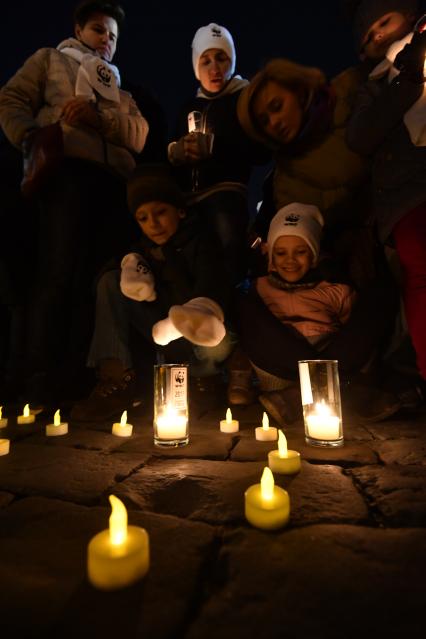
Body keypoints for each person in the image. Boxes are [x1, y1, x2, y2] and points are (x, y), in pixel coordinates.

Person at [0, 0, 149, 405]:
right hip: (67, 177)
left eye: (114, 38)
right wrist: (33, 138)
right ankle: (40, 376)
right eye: (100, 31)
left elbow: (139, 134)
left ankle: (78, 376)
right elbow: (11, 98)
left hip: (113, 187)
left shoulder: (119, 89)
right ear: (79, 29)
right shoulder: (50, 60)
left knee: (96, 279)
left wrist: (100, 119)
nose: (106, 42)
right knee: (58, 273)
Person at [71, 164, 235, 421]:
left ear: (180, 211)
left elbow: (213, 286)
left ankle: (206, 381)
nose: (154, 224)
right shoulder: (143, 251)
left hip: (203, 338)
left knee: (216, 337)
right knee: (110, 281)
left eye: (160, 212)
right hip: (163, 336)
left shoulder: (202, 242)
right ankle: (115, 379)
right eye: (143, 218)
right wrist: (128, 265)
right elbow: (117, 281)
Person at [238, 202, 401, 425]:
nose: (290, 260)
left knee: (375, 303)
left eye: (301, 252)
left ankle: (297, 395)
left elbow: (355, 335)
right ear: (271, 259)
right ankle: (346, 390)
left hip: (329, 350)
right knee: (247, 308)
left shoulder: (334, 290)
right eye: (281, 252)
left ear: (314, 256)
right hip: (282, 357)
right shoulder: (260, 288)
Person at [346, 0, 426, 396]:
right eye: (368, 34)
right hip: (408, 198)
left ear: (410, 16)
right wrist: (407, 77)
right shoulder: (375, 85)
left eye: (384, 21)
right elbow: (360, 136)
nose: (377, 33)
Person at [236, 57, 374, 287]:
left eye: (277, 106)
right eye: (264, 122)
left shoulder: (352, 90)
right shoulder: (286, 185)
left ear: (298, 90)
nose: (274, 122)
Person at [168, 22, 269, 287]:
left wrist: (215, 147)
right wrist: (176, 152)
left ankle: (230, 307)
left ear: (232, 60)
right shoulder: (188, 107)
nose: (214, 68)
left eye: (221, 58)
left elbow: (260, 151)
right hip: (188, 198)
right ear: (195, 66)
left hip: (226, 191)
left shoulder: (244, 100)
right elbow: (169, 146)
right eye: (206, 60)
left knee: (227, 250)